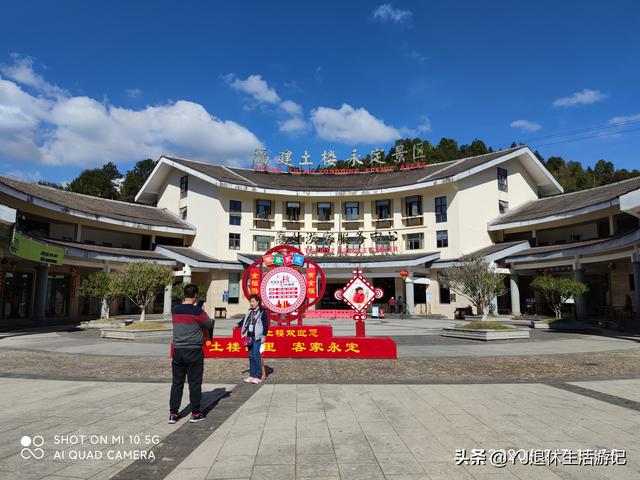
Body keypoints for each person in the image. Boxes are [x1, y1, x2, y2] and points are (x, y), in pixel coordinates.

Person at [169, 284, 214, 424]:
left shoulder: (175, 309)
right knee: (194, 382)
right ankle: (195, 413)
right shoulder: (197, 311)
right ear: (195, 296)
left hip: (178, 350)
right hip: (194, 350)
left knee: (177, 382)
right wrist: (203, 312)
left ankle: (173, 413)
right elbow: (209, 324)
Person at [237, 294, 270, 384]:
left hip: (257, 336)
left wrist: (264, 335)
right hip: (250, 337)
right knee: (251, 356)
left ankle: (258, 376)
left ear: (257, 302)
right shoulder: (250, 312)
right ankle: (252, 375)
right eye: (250, 302)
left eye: (253, 301)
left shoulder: (262, 312)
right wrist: (237, 325)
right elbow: (244, 321)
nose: (251, 303)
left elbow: (266, 324)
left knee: (256, 355)